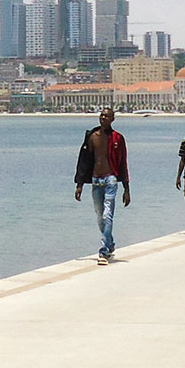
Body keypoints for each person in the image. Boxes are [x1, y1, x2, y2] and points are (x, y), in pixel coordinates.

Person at [75, 108, 130, 265]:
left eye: (107, 116)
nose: (103, 118)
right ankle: (110, 243)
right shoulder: (92, 137)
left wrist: (126, 189)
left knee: (107, 216)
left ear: (113, 119)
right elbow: (84, 162)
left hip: (111, 180)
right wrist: (79, 185)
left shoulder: (118, 138)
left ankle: (104, 251)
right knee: (100, 217)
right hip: (96, 181)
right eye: (102, 115)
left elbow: (123, 163)